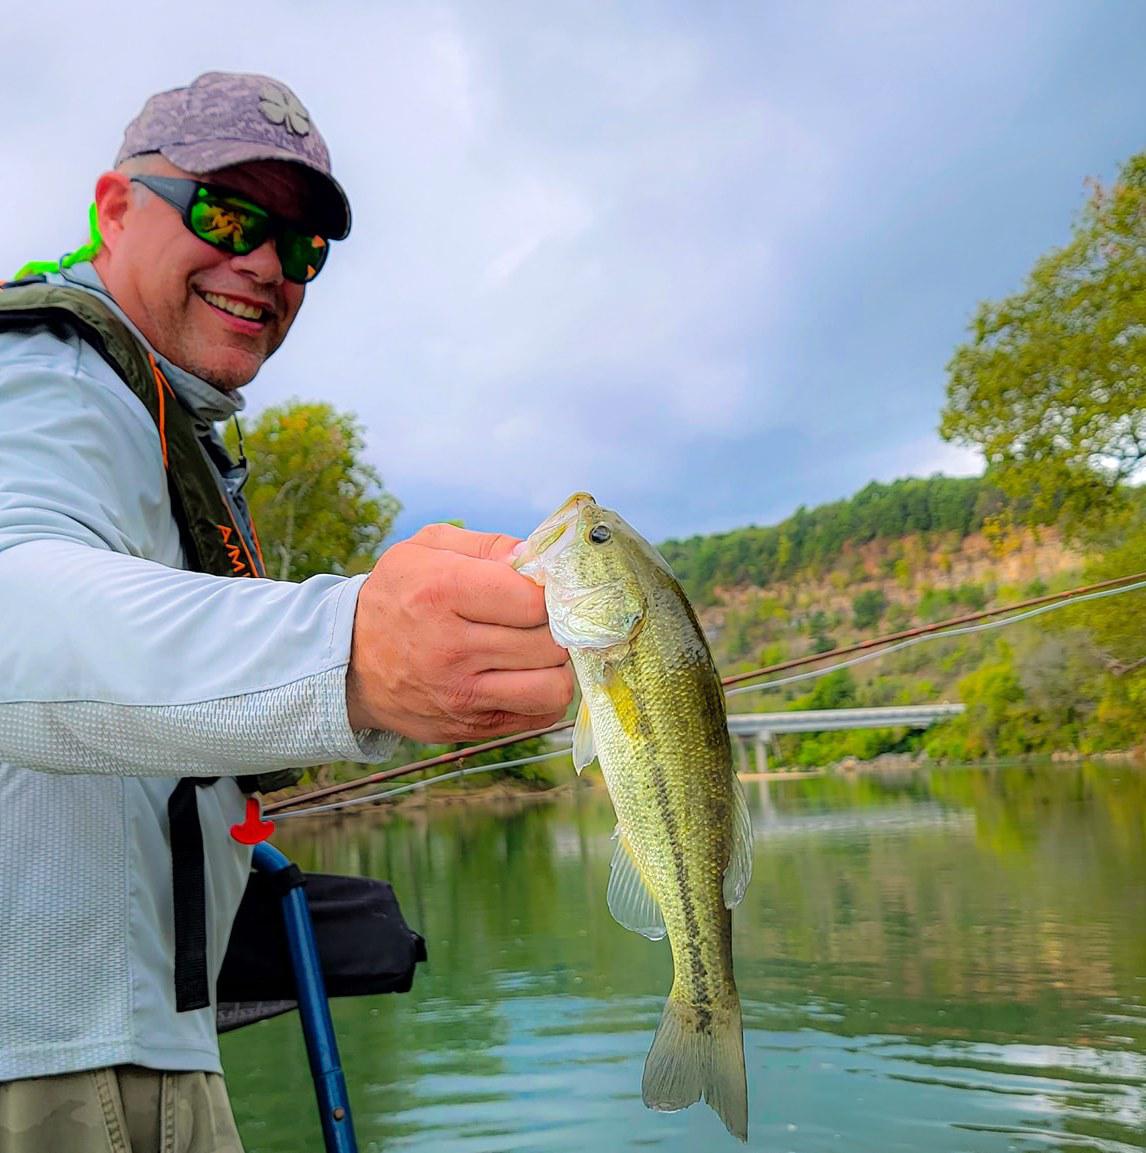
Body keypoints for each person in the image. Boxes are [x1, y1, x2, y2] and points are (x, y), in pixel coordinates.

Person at [0, 71, 572, 1153]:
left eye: (301, 246)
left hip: (140, 1049)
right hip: (53, 1064)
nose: (265, 263)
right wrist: (350, 650)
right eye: (226, 215)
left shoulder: (152, 409)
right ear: (115, 209)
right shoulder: (46, 374)